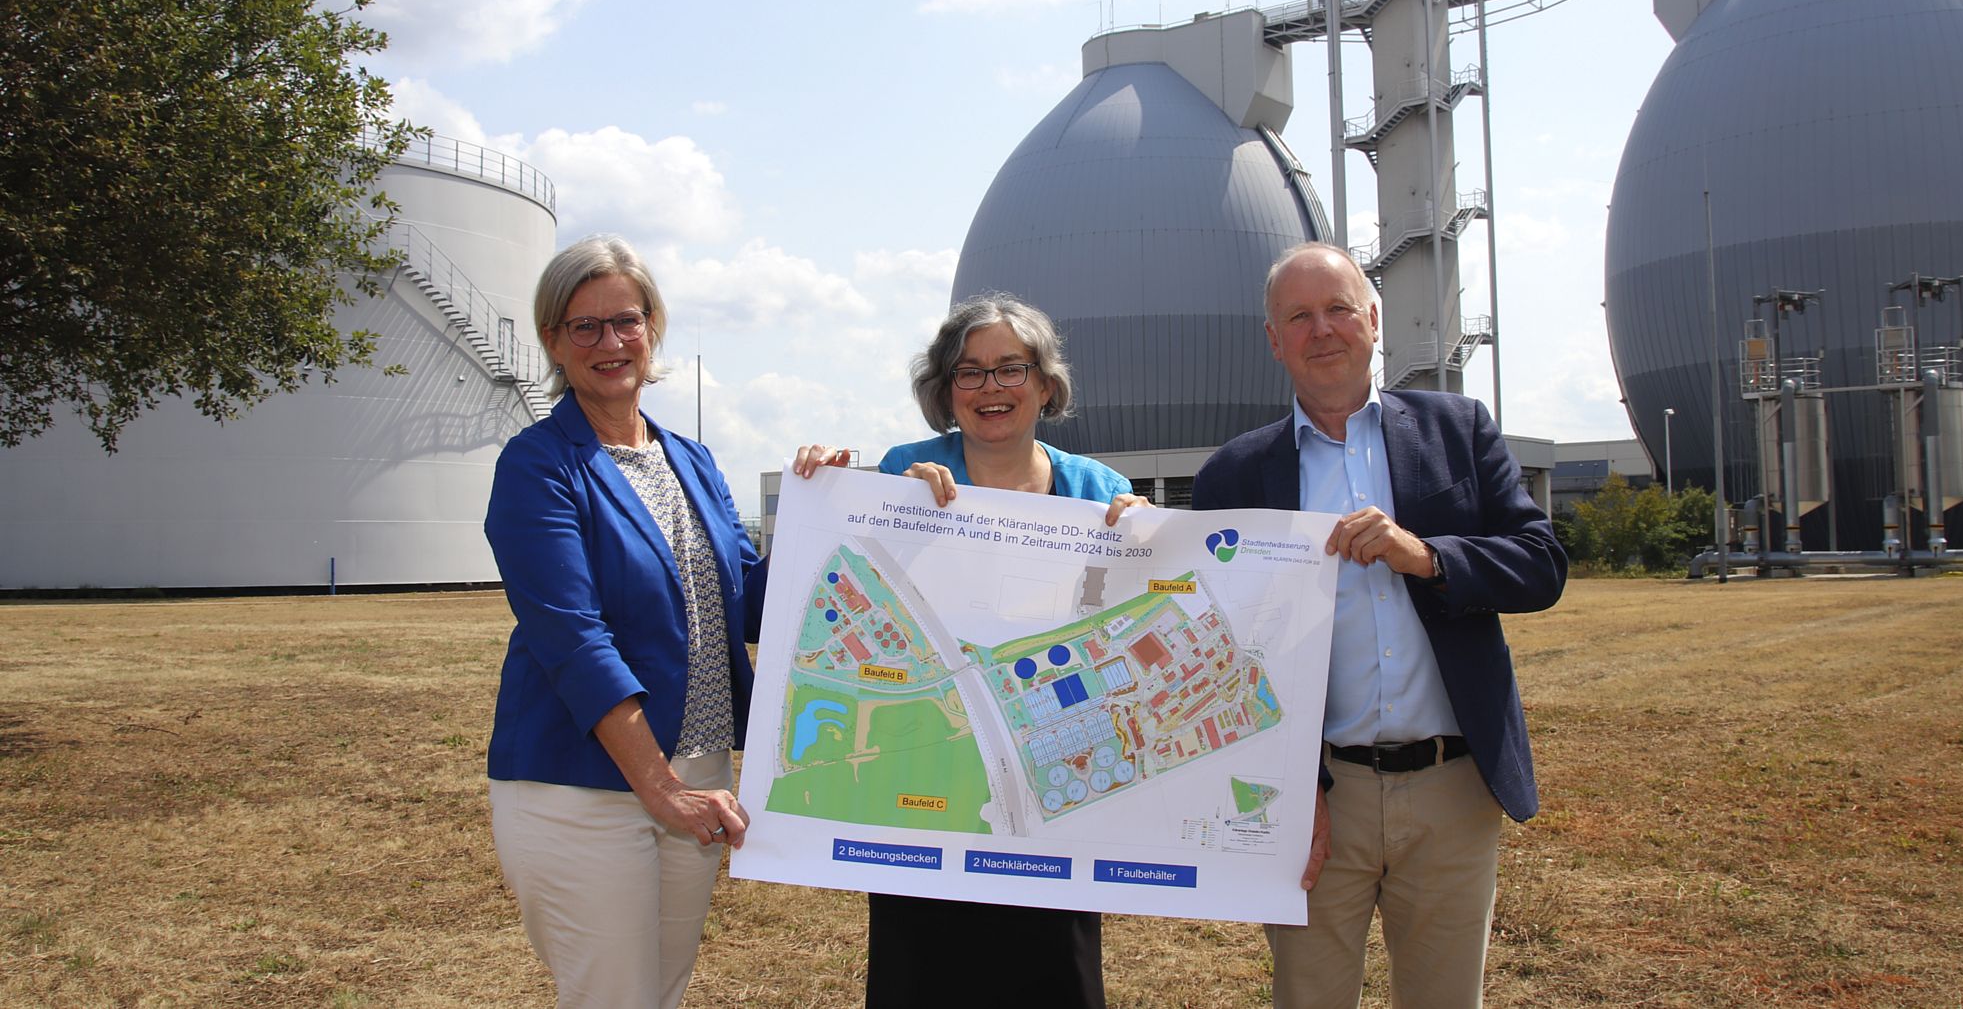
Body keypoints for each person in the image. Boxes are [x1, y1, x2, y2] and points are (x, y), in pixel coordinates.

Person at [1192, 243, 1566, 1008]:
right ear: (1273, 338)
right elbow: (1217, 646)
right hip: (1318, 794)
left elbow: (1541, 564)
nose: (1321, 329)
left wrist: (1425, 554)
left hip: (1452, 784)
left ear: (1372, 318)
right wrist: (1291, 787)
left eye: (1337, 309)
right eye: (1298, 316)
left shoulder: (1457, 429)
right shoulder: (1234, 474)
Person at [792, 292, 1147, 1009]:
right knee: (925, 977)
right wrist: (832, 490)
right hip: (931, 790)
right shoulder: (904, 470)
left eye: (1011, 369)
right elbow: (835, 577)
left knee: (1056, 979)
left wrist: (1150, 537)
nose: (992, 389)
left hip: (1052, 789)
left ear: (1046, 384)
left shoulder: (1098, 489)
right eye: (970, 372)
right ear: (945, 390)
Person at [484, 235, 766, 1008]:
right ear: (552, 340)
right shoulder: (538, 465)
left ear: (653, 328)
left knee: (661, 992)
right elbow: (573, 637)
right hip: (582, 790)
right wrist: (659, 785)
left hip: (700, 773)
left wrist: (836, 517)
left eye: (627, 321)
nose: (611, 342)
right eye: (585, 326)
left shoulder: (694, 460)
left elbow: (752, 594)